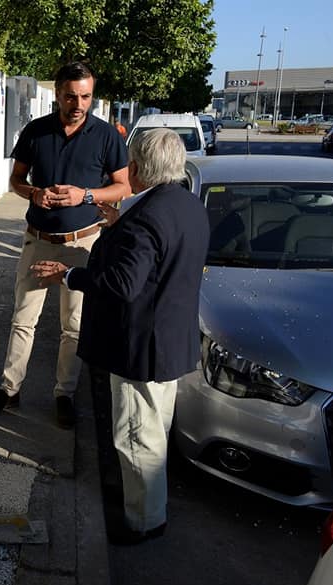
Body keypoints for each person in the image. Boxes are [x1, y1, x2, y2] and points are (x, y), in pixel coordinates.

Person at [31, 128, 210, 544]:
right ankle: (145, 503)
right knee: (154, 431)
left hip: (140, 348)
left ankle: (143, 522)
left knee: (135, 437)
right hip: (170, 342)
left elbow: (123, 284)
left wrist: (69, 274)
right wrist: (119, 225)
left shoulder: (146, 219)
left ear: (135, 169)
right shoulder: (185, 204)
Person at [0, 61, 130, 427]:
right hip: (39, 239)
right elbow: (16, 179)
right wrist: (34, 193)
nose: (78, 104)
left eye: (86, 96)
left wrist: (85, 196)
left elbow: (123, 186)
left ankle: (64, 394)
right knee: (23, 319)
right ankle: (9, 390)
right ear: (58, 94)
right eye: (71, 96)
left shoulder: (107, 136)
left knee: (73, 325)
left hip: (82, 244)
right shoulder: (36, 131)